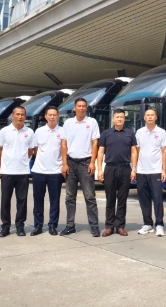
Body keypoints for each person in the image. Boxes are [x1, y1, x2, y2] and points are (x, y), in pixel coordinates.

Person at [60, 98, 101, 237]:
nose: (82, 108)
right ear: (74, 108)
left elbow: (95, 143)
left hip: (86, 163)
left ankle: (94, 226)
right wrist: (64, 164)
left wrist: (92, 162)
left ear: (86, 108)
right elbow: (64, 144)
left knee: (90, 197)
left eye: (84, 106)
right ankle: (70, 225)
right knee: (70, 197)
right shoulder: (68, 123)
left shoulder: (92, 122)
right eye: (79, 106)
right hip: (71, 163)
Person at [0, 106, 36, 237]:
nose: (20, 117)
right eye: (17, 114)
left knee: (22, 200)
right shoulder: (4, 131)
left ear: (25, 117)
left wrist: (22, 159)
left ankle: (20, 226)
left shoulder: (29, 132)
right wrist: (5, 162)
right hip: (7, 171)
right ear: (12, 116)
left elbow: (31, 150)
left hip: (23, 171)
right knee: (5, 200)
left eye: (22, 114)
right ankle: (5, 226)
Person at [98, 109, 138, 236]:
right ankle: (109, 226)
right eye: (117, 117)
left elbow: (134, 152)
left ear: (124, 119)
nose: (119, 119)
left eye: (121, 117)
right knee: (110, 199)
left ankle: (120, 226)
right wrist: (100, 169)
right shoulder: (106, 133)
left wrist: (134, 169)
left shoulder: (130, 133)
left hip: (125, 168)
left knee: (122, 199)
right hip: (110, 168)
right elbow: (100, 151)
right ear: (113, 119)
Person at [31, 107, 65, 236]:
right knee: (38, 200)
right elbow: (35, 149)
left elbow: (64, 149)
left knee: (54, 201)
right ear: (45, 116)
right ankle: (38, 226)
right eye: (50, 115)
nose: (52, 117)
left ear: (58, 116)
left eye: (54, 115)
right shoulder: (39, 131)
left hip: (55, 171)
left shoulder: (62, 131)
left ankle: (52, 225)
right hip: (39, 171)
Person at [135, 109, 166, 237]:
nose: (150, 117)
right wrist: (134, 168)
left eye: (152, 115)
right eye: (147, 115)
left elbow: (164, 152)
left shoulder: (161, 132)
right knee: (144, 199)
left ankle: (159, 225)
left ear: (156, 117)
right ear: (144, 118)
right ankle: (147, 224)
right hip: (141, 171)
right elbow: (136, 151)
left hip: (156, 171)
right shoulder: (139, 132)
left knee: (157, 198)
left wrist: (164, 170)